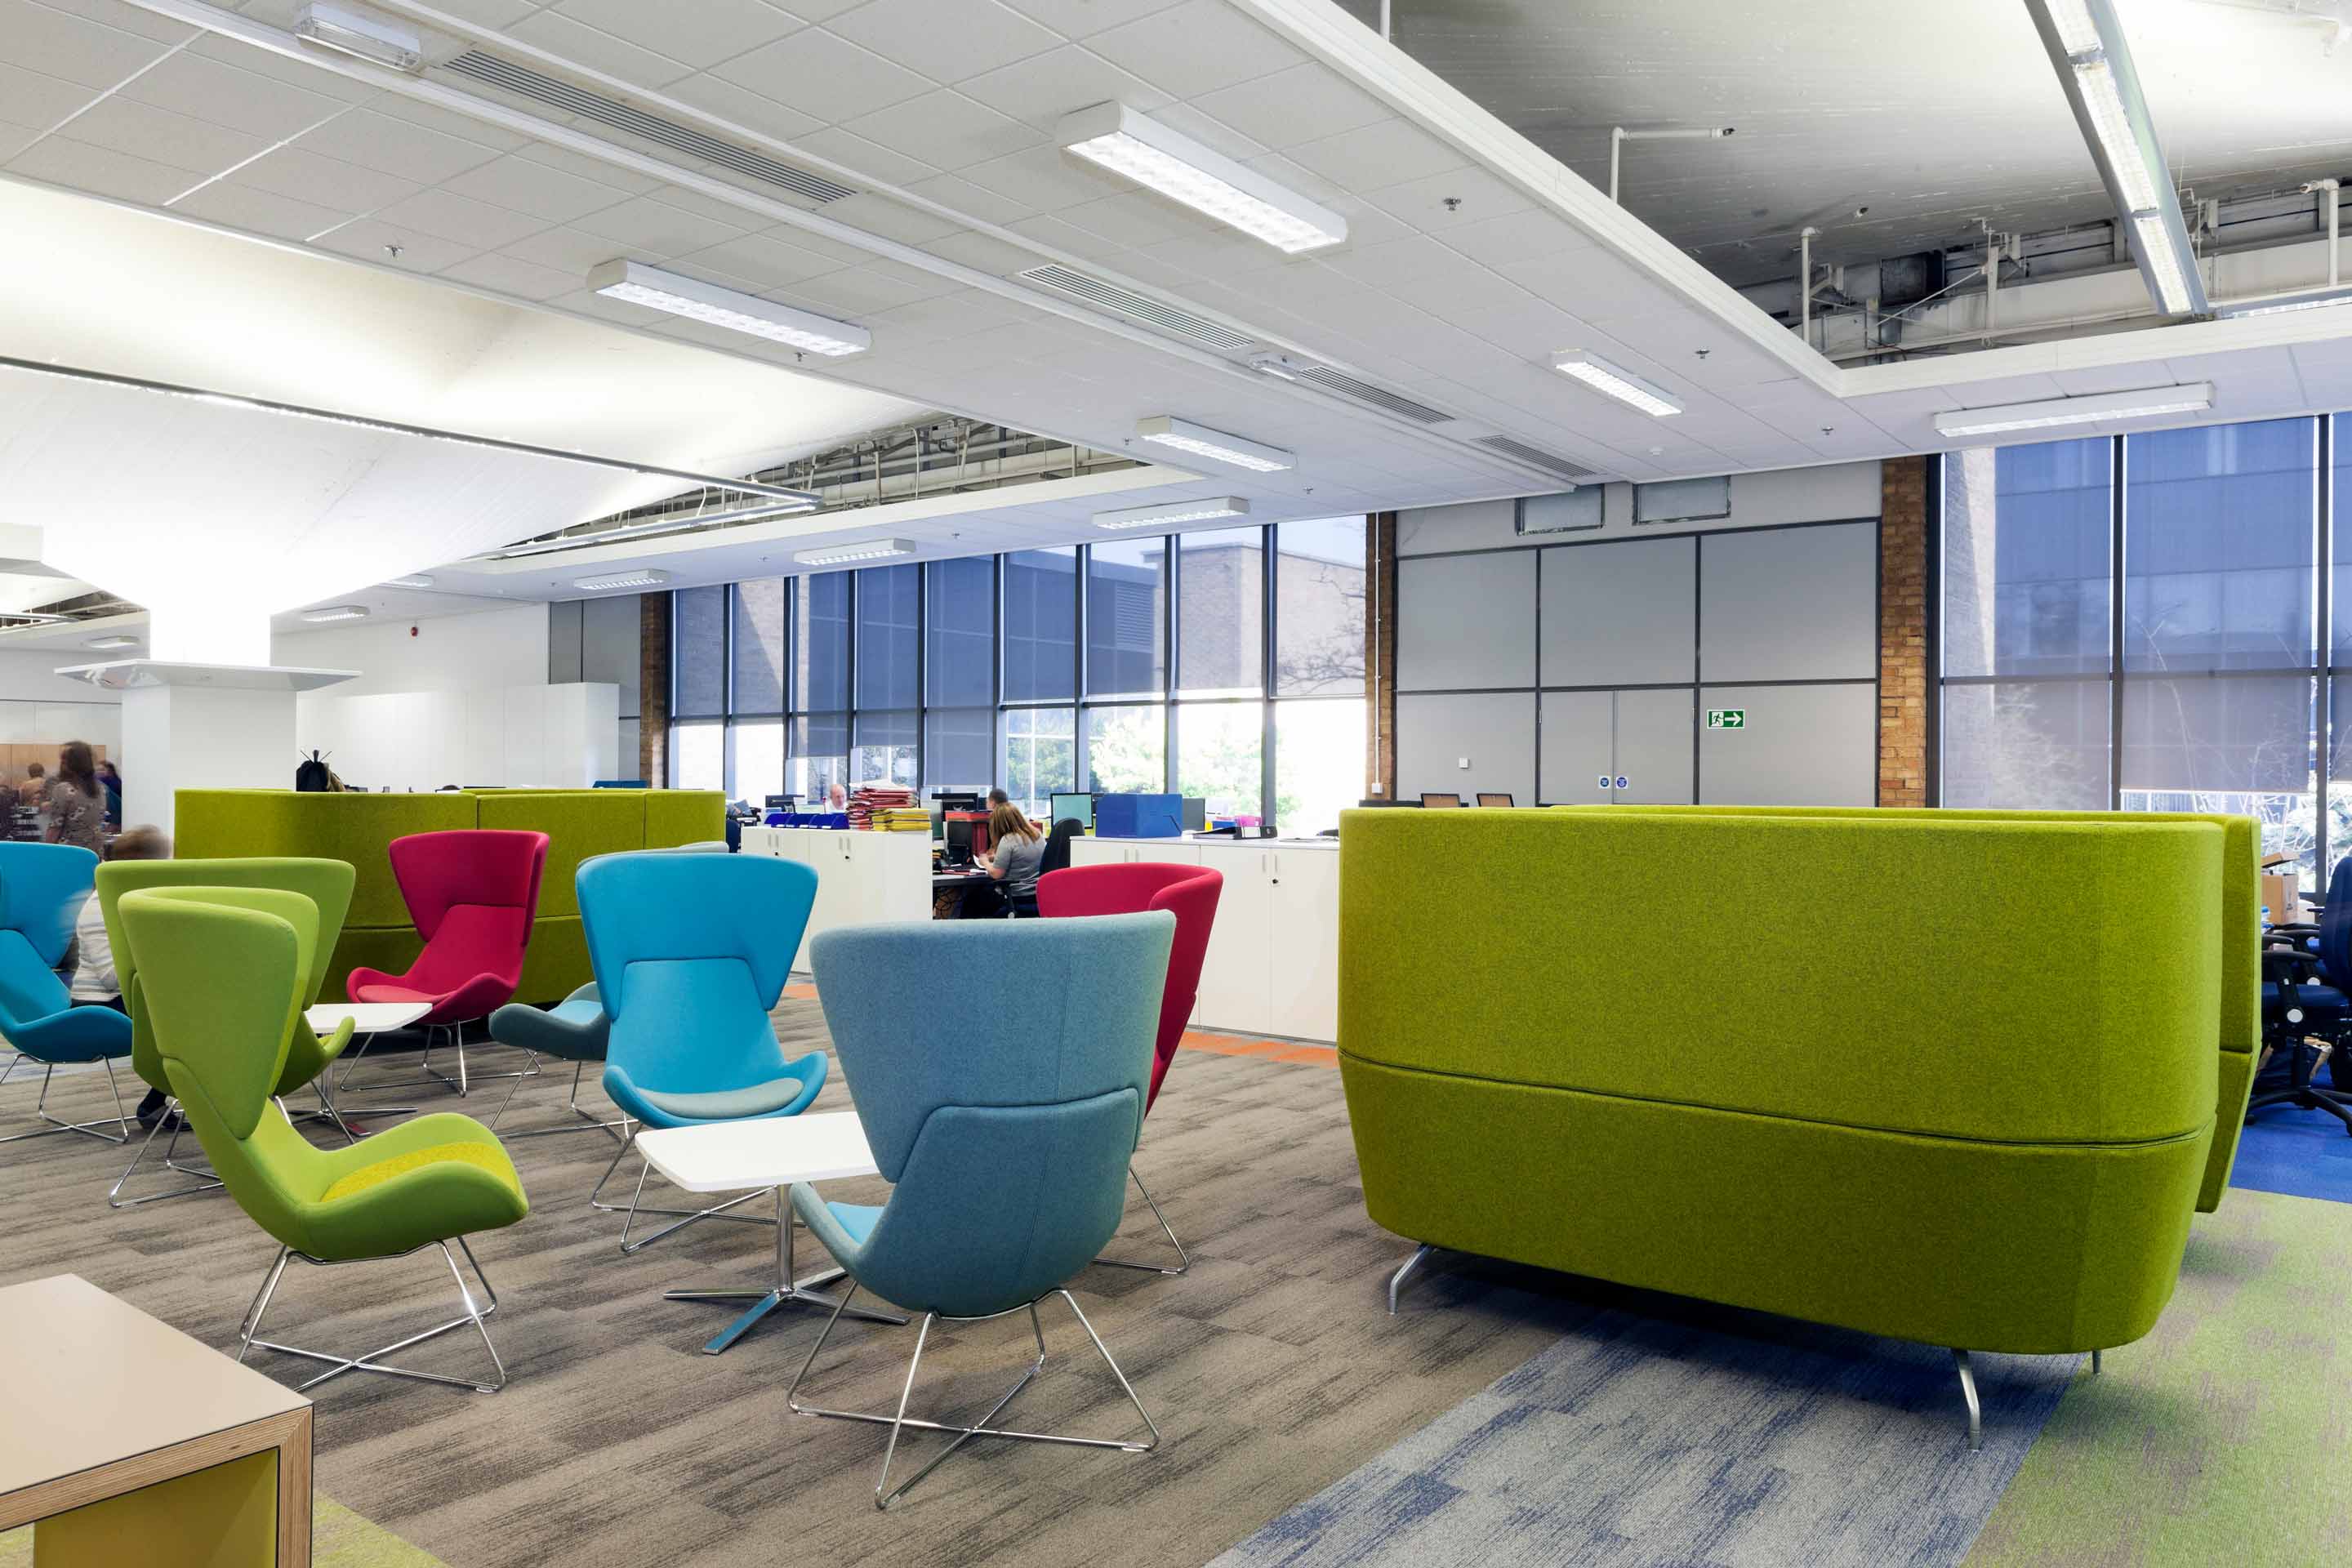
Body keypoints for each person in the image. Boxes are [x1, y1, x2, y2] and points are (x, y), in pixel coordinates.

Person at [68, 825, 172, 1126]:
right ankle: (156, 1105)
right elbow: (114, 979)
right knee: (187, 1021)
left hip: (121, 1000)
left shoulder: (132, 901)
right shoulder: (101, 909)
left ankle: (163, 1102)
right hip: (96, 1007)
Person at [960, 801, 1045, 919]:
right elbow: (1024, 856)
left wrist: (984, 861)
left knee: (969, 900)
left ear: (999, 823)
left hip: (1015, 894)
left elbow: (996, 874)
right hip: (1036, 894)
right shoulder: (1037, 835)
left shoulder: (1008, 839)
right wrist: (997, 857)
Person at [43, 743, 105, 853]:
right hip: (95, 850)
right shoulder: (101, 788)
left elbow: (55, 828)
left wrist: (44, 853)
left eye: (64, 759)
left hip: (70, 851)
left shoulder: (64, 789)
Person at [94, 760, 121, 828]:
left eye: (102, 770)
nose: (99, 772)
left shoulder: (114, 784)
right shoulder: (97, 783)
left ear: (109, 771)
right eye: (97, 770)